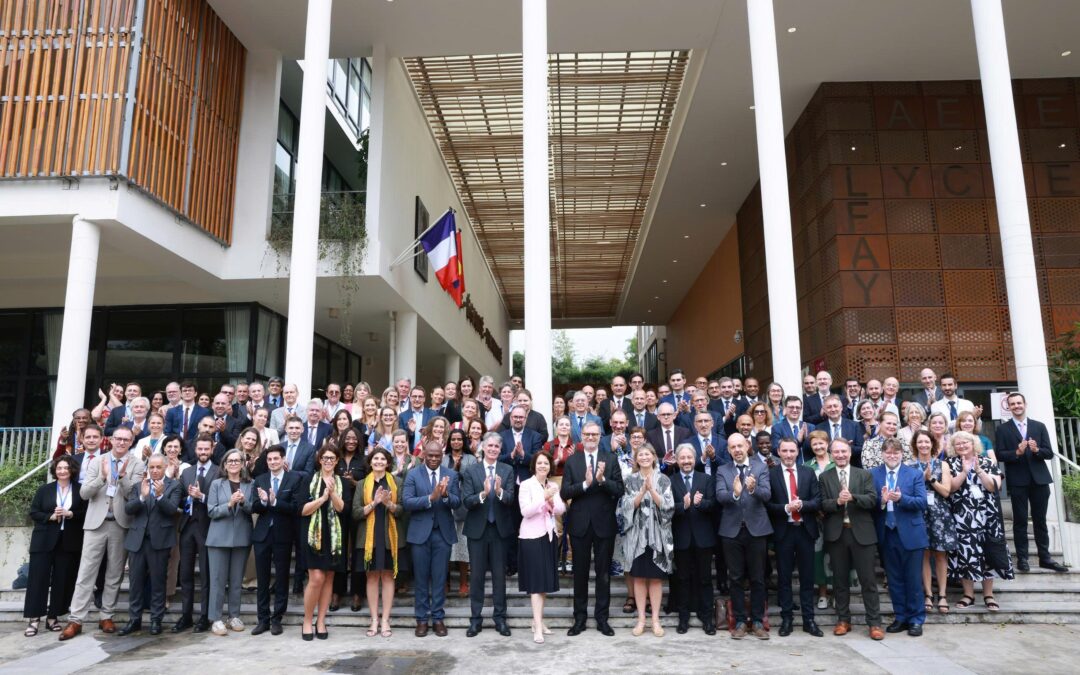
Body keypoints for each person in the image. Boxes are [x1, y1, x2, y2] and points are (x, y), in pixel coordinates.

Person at [60, 426, 145, 640]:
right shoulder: (97, 461)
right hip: (95, 524)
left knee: (114, 574)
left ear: (131, 441)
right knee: (86, 572)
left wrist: (123, 477)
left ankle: (106, 615)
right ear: (111, 439)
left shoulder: (137, 463)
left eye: (126, 440)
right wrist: (104, 478)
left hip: (120, 524)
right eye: (118, 439)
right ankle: (76, 619)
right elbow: (84, 493)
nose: (121, 442)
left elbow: (134, 496)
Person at [560, 421, 625, 637]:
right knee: (579, 575)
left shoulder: (611, 459)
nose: (590, 437)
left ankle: (602, 619)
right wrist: (587, 484)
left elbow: (620, 489)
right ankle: (579, 619)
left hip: (604, 525)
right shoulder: (572, 460)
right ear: (582, 437)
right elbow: (565, 493)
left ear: (600, 436)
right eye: (587, 434)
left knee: (603, 575)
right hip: (579, 526)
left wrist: (602, 480)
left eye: (594, 434)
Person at [819, 437, 883, 640]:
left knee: (868, 581)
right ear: (831, 454)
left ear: (849, 453)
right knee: (839, 581)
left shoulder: (863, 474)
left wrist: (853, 497)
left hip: (862, 534)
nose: (840, 455)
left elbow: (873, 499)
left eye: (843, 451)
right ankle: (843, 620)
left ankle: (874, 623)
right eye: (836, 452)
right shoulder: (825, 477)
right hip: (837, 534)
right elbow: (822, 505)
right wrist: (837, 502)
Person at [995, 392, 1066, 573]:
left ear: (1025, 404)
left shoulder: (1039, 426)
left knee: (1040, 520)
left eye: (1019, 403)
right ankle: (1023, 558)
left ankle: (1045, 557)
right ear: (1008, 407)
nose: (1016, 406)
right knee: (1019, 521)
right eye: (1013, 404)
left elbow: (1049, 453)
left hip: (1040, 479)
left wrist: (1036, 450)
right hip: (1018, 481)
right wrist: (1017, 453)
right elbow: (1000, 455)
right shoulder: (1003, 429)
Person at [947, 432, 1015, 610]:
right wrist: (964, 472)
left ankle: (988, 595)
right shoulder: (950, 464)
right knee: (965, 552)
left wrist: (978, 470)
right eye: (958, 443)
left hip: (987, 516)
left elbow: (994, 487)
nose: (962, 446)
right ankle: (968, 594)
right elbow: (951, 488)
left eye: (965, 443)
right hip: (962, 516)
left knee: (988, 552)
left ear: (974, 443)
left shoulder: (987, 462)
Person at [714, 433, 772, 640]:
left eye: (740, 445)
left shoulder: (761, 467)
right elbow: (720, 496)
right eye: (733, 447)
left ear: (748, 445)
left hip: (757, 529)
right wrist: (736, 494)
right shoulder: (722, 470)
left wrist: (753, 489)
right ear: (728, 450)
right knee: (735, 578)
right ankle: (739, 620)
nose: (737, 450)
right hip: (731, 531)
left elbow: (767, 495)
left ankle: (757, 621)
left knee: (757, 578)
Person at [460, 432, 517, 637]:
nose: (493, 449)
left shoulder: (507, 470)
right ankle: (475, 620)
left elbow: (510, 500)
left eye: (497, 447)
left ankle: (500, 619)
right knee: (476, 577)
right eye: (490, 446)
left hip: (500, 531)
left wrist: (499, 491)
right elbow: (466, 501)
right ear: (483, 447)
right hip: (477, 531)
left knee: (500, 578)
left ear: (501, 450)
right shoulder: (471, 471)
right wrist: (483, 494)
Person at [766, 438, 824, 638]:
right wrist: (785, 508)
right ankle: (787, 619)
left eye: (792, 451)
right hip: (784, 531)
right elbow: (767, 505)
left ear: (797, 452)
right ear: (779, 452)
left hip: (805, 530)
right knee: (784, 578)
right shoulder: (771, 474)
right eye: (785, 451)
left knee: (808, 578)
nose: (789, 454)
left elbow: (818, 500)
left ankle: (809, 620)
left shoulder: (808, 473)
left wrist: (803, 505)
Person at [404, 440, 461, 637]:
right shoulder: (413, 474)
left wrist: (445, 496)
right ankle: (421, 620)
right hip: (420, 535)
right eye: (431, 455)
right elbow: (407, 502)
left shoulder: (451, 474)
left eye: (438, 456)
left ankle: (437, 618)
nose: (434, 459)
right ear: (424, 454)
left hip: (442, 534)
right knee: (420, 579)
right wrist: (431, 497)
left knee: (439, 578)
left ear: (442, 454)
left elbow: (457, 501)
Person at [120, 455, 183, 636]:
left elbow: (172, 510)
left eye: (158, 467)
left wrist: (161, 495)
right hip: (137, 541)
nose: (155, 471)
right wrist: (142, 497)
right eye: (152, 467)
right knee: (135, 582)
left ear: (165, 468)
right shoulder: (139, 486)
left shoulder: (174, 485)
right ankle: (135, 619)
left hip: (160, 541)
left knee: (158, 582)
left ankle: (156, 619)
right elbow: (129, 509)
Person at [871, 438, 928, 637]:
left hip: (911, 534)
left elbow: (922, 502)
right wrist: (882, 500)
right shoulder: (873, 474)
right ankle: (901, 617)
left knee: (913, 579)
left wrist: (901, 498)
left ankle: (916, 619)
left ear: (902, 454)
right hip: (886, 533)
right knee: (894, 579)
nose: (892, 456)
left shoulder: (914, 474)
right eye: (888, 453)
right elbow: (869, 503)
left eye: (895, 453)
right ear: (882, 454)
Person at [24, 456, 85, 637]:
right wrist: (50, 516)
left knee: (62, 580)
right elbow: (33, 512)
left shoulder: (80, 491)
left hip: (68, 541)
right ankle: (34, 619)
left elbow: (85, 513)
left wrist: (71, 513)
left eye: (66, 468)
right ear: (55, 470)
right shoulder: (45, 490)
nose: (62, 471)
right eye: (59, 468)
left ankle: (53, 617)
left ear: (72, 470)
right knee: (38, 580)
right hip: (44, 541)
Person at [619, 443, 674, 638]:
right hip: (637, 537)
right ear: (636, 459)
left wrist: (652, 490)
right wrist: (642, 491)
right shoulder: (630, 480)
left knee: (656, 579)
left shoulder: (664, 479)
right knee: (639, 578)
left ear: (653, 457)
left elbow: (668, 507)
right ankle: (641, 619)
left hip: (657, 535)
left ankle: (656, 620)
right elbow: (626, 507)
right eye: (640, 454)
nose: (644, 457)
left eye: (647, 454)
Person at [251, 445, 302, 636]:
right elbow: (254, 506)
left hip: (283, 534)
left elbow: (295, 507)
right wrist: (264, 502)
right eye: (270, 459)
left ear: (283, 460)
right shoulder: (260, 479)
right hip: (262, 535)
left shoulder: (294, 479)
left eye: (276, 459)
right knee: (262, 579)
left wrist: (274, 502)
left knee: (281, 578)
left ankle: (277, 619)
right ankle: (262, 619)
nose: (273, 462)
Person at [353, 447, 404, 638]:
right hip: (368, 538)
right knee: (372, 577)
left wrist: (389, 504)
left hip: (390, 538)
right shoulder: (361, 484)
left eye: (383, 459)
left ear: (388, 463)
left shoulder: (397, 482)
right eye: (376, 459)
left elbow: (402, 511)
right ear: (370, 462)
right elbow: (356, 512)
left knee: (388, 577)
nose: (379, 462)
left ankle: (385, 620)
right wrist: (374, 503)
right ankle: (374, 619)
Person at [516, 450, 564, 645]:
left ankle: (538, 621)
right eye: (539, 463)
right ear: (534, 466)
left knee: (543, 584)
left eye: (546, 463)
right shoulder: (526, 485)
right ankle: (537, 627)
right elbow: (525, 511)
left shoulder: (553, 485)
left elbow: (561, 509)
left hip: (549, 536)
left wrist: (552, 500)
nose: (543, 466)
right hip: (531, 537)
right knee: (536, 584)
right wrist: (543, 498)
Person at [299, 442, 347, 640]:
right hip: (312, 533)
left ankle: (321, 621)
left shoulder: (341, 481)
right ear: (320, 460)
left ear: (337, 461)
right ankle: (307, 621)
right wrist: (322, 498)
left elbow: (341, 508)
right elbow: (302, 510)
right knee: (316, 578)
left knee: (328, 579)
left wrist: (333, 493)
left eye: (332, 458)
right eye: (325, 458)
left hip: (333, 535)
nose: (328, 461)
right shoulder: (308, 479)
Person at [206, 448, 254, 636]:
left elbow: (253, 509)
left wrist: (243, 503)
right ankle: (215, 618)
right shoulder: (217, 484)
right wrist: (229, 504)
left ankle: (234, 615)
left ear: (243, 464)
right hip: (218, 539)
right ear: (225, 465)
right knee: (217, 581)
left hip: (241, 538)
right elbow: (211, 511)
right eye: (230, 461)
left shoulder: (250, 484)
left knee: (236, 581)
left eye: (237, 461)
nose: (234, 464)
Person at [669, 444, 716, 635]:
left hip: (703, 538)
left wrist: (700, 503)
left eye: (689, 458)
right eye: (683, 458)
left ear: (695, 459)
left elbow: (714, 504)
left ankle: (707, 618)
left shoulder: (706, 479)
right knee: (682, 579)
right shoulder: (670, 481)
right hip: (681, 538)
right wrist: (684, 505)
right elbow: (668, 509)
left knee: (705, 579)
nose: (686, 461)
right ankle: (683, 618)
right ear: (677, 460)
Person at [175, 434, 218, 633]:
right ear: (195, 450)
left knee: (206, 576)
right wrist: (187, 499)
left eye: (206, 449)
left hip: (208, 528)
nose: (202, 452)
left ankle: (204, 616)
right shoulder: (187, 473)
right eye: (199, 449)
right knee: (185, 574)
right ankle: (186, 615)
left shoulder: (219, 472)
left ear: (212, 449)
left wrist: (201, 496)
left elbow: (219, 501)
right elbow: (180, 498)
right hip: (187, 527)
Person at [910, 429, 955, 615]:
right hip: (918, 514)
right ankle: (928, 594)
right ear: (915, 445)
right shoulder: (909, 467)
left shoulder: (942, 464)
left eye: (926, 442)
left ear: (932, 443)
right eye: (920, 442)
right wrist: (921, 479)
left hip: (939, 514)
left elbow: (946, 491)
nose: (923, 445)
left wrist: (931, 479)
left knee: (940, 555)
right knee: (924, 555)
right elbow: (909, 492)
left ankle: (942, 594)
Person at [332, 427, 366, 611]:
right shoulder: (334, 458)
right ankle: (336, 593)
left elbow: (370, 483)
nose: (351, 441)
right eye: (348, 438)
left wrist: (354, 482)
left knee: (358, 552)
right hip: (338, 509)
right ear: (342, 439)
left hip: (358, 510)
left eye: (355, 438)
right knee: (339, 550)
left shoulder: (364, 461)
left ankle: (357, 594)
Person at [803, 430, 834, 611]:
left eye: (821, 443)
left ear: (827, 443)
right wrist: (816, 510)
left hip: (836, 516)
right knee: (818, 556)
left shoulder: (836, 461)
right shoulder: (807, 466)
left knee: (838, 557)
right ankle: (822, 593)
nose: (818, 446)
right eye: (815, 444)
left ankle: (838, 593)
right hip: (815, 518)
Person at [443, 428, 476, 597]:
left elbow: (473, 479)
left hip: (464, 507)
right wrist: (453, 470)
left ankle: (463, 582)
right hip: (446, 506)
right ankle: (446, 581)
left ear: (464, 441)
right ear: (449, 442)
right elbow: (442, 479)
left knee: (462, 547)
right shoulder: (443, 458)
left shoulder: (470, 459)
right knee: (446, 547)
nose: (456, 442)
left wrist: (458, 470)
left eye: (459, 439)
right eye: (453, 439)